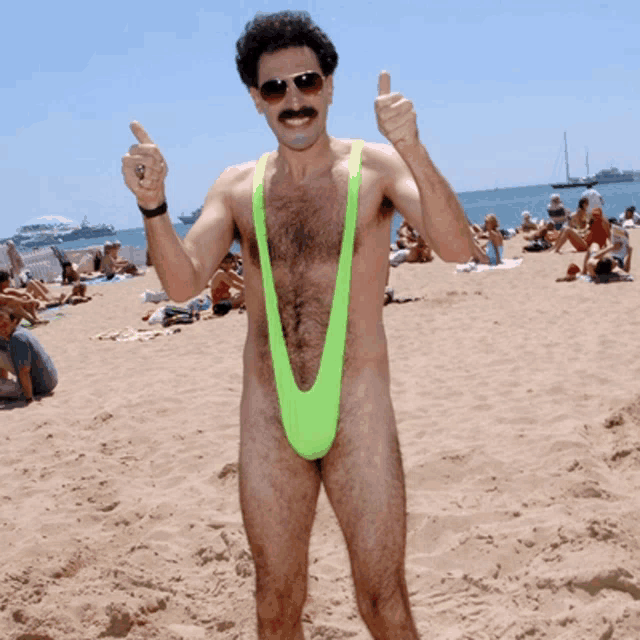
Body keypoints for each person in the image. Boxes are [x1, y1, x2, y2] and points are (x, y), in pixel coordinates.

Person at [121, 11, 487, 639]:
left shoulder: (375, 168)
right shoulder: (236, 187)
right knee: (275, 603)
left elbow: (459, 249)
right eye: (275, 88)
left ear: (330, 85)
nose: (294, 100)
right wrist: (152, 205)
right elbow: (182, 284)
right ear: (255, 100)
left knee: (383, 600)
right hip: (269, 418)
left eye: (307, 82)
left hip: (359, 411)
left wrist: (413, 145)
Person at [0, 308, 58, 403]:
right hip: (49, 381)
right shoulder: (20, 330)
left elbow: (24, 370)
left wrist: (28, 398)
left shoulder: (17, 338)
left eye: (4, 325)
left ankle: (9, 386)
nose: (1, 329)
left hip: (40, 387)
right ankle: (4, 382)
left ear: (14, 321)